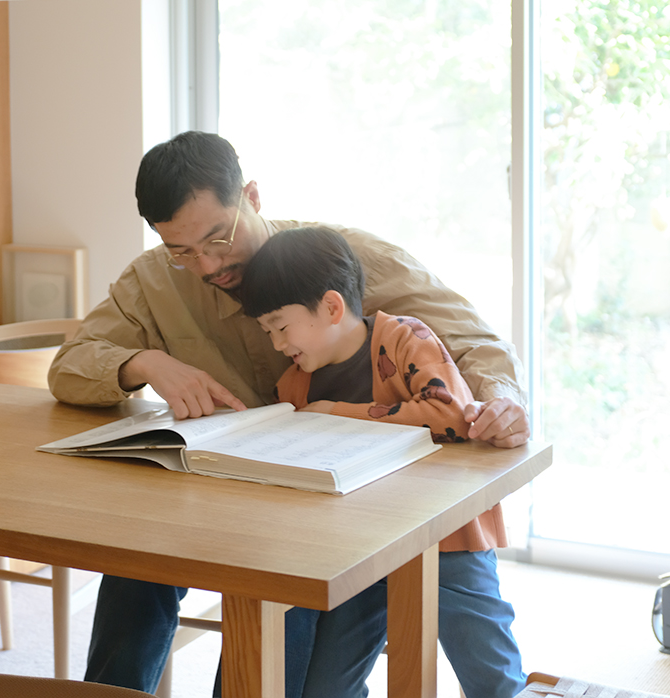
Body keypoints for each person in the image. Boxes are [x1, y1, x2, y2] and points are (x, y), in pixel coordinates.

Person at [47, 130, 530, 696]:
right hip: (221, 488)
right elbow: (69, 367)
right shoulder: (155, 280)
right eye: (181, 251)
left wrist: (504, 403)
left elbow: (474, 341)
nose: (206, 264)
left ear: (252, 196)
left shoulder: (337, 256)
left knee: (300, 615)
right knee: (135, 561)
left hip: (344, 500)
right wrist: (144, 362)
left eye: (216, 238)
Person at [238, 225, 525, 698]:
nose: (275, 344)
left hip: (445, 538)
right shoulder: (294, 387)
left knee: (490, 677)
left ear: (331, 307)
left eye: (281, 326)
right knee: (326, 689)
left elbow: (449, 413)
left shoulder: (404, 339)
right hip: (355, 554)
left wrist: (336, 416)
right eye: (267, 331)